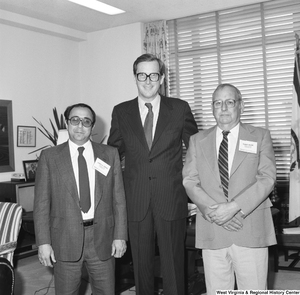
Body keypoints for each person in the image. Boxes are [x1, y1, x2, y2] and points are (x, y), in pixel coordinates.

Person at [108, 53, 198, 295]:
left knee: (173, 265)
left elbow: (196, 151)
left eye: (153, 75)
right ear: (135, 77)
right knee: (142, 267)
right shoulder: (121, 111)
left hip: (171, 198)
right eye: (142, 75)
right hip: (135, 200)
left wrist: (198, 193)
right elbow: (111, 155)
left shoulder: (179, 109)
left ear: (162, 78)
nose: (148, 80)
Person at [182, 83, 277, 293]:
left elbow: (267, 178)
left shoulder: (260, 136)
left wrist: (233, 208)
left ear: (240, 106)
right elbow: (189, 180)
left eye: (229, 102)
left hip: (250, 227)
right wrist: (215, 212)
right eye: (218, 103)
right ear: (212, 107)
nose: (223, 108)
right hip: (212, 228)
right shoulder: (197, 140)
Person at [34, 103, 127, 295]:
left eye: (86, 121)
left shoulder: (109, 154)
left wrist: (120, 236)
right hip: (64, 239)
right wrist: (43, 242)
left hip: (102, 237)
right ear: (67, 124)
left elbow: (119, 200)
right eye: (74, 120)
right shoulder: (49, 157)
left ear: (92, 127)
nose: (80, 126)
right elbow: (41, 204)